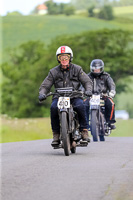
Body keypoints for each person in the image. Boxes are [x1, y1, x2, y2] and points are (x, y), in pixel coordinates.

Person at [38, 46, 92, 145]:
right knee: (53, 108)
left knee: (81, 106)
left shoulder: (77, 69)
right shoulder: (53, 72)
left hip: (75, 96)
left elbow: (87, 81)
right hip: (59, 97)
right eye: (61, 58)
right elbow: (45, 85)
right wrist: (42, 93)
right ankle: (56, 134)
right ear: (58, 59)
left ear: (70, 58)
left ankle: (84, 130)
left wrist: (88, 90)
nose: (63, 60)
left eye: (66, 57)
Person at [84, 59, 116, 129]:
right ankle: (85, 123)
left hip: (103, 96)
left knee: (111, 104)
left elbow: (112, 85)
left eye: (98, 69)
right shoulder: (88, 77)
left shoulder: (106, 76)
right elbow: (83, 85)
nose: (96, 71)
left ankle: (110, 122)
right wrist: (82, 92)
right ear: (91, 69)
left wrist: (112, 92)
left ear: (101, 68)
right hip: (91, 96)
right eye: (94, 69)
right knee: (83, 105)